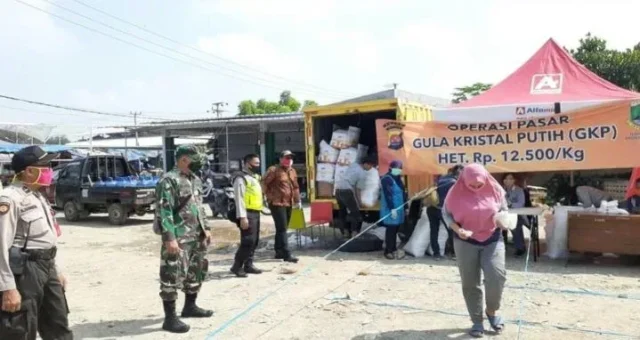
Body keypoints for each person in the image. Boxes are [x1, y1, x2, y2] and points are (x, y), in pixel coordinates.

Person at [0, 146, 73, 340]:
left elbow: (46, 239)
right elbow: (1, 246)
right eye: (44, 166)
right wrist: (7, 287)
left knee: (59, 325)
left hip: (45, 266)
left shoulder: (37, 195)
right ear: (29, 171)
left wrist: (55, 270)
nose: (49, 170)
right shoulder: (10, 198)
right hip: (25, 271)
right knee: (22, 329)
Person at [442, 163, 509, 338]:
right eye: (473, 185)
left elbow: (503, 210)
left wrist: (502, 220)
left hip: (493, 239)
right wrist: (458, 230)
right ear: (464, 180)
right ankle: (477, 321)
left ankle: (492, 311)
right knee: (470, 282)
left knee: (497, 276)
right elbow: (447, 215)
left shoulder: (496, 190)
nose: (477, 188)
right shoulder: (453, 193)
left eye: (480, 185)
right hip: (465, 241)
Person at [156, 145, 213, 334]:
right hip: (179, 236)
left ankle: (190, 306)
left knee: (196, 271)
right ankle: (170, 318)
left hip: (197, 234)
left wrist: (207, 228)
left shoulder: (194, 179)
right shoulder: (168, 180)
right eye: (195, 159)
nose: (200, 163)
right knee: (172, 274)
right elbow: (164, 211)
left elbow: (199, 205)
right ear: (184, 159)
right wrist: (169, 238)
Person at [262, 150, 301, 263]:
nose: (288, 160)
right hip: (277, 203)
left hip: (288, 202)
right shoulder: (273, 170)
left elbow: (295, 187)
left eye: (290, 158)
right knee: (283, 228)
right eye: (286, 158)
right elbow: (264, 183)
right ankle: (286, 254)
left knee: (282, 228)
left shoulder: (292, 171)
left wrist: (297, 201)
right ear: (280, 159)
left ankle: (278, 251)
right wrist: (268, 197)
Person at [231, 154, 264, 277]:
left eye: (258, 163)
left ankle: (248, 265)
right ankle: (236, 266)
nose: (258, 166)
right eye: (255, 163)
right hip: (247, 213)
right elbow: (239, 199)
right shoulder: (240, 178)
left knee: (254, 241)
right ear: (247, 164)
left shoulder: (254, 177)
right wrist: (242, 217)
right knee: (248, 241)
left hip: (256, 212)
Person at [427, 165, 463, 260]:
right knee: (451, 230)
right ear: (458, 173)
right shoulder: (454, 183)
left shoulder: (440, 179)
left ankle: (436, 254)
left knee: (434, 231)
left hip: (431, 208)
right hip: (442, 210)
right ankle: (454, 253)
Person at [334, 156, 376, 238]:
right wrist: (359, 203)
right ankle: (354, 233)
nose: (370, 168)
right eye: (370, 166)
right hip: (346, 191)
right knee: (355, 213)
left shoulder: (354, 165)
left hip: (337, 190)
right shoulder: (362, 173)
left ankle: (345, 232)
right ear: (365, 164)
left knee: (342, 212)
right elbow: (358, 191)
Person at [380, 160, 408, 259]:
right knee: (391, 229)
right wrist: (392, 209)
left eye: (400, 169)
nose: (398, 170)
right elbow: (388, 195)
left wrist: (406, 207)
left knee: (396, 229)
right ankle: (388, 251)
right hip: (390, 208)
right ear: (391, 168)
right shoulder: (386, 179)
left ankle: (393, 248)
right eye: (396, 168)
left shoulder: (398, 179)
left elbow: (403, 193)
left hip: (399, 207)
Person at [502, 173, 528, 257]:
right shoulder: (501, 190)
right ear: (504, 181)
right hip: (503, 214)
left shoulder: (519, 190)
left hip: (517, 215)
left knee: (516, 224)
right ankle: (500, 246)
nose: (508, 181)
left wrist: (509, 205)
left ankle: (520, 247)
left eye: (510, 179)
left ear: (514, 180)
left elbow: (521, 203)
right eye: (506, 179)